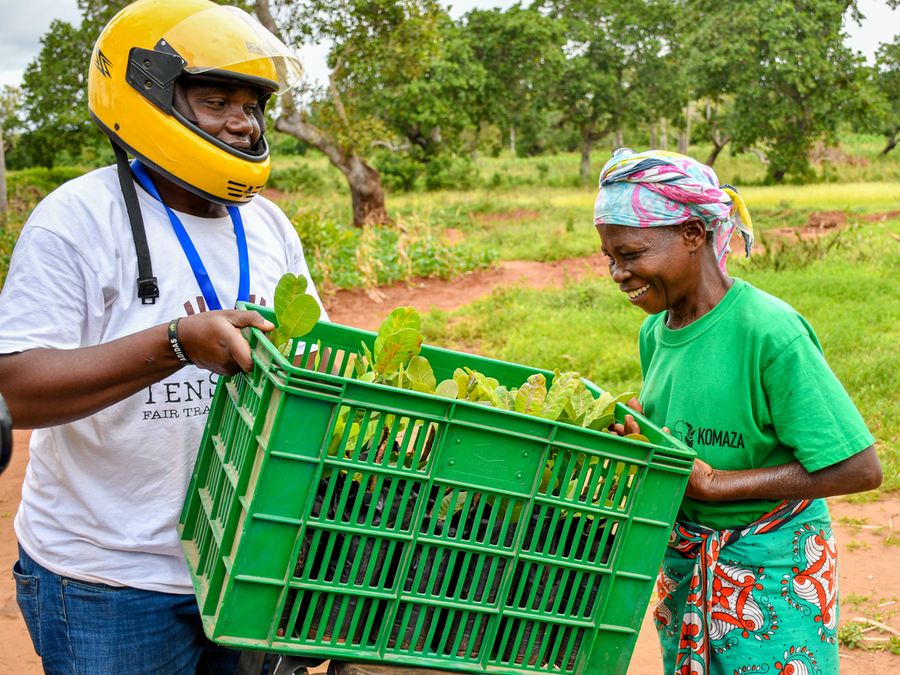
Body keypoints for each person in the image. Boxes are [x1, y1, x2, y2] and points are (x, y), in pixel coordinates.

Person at [0, 0, 327, 672]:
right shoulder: (76, 220)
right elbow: (15, 389)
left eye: (254, 106)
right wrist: (175, 342)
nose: (243, 122)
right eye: (217, 100)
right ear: (146, 97)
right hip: (109, 579)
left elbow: (311, 360)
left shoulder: (269, 226)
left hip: (246, 567)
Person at [594, 148, 882, 674]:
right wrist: (643, 427)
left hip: (773, 575)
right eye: (609, 256)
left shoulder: (768, 332)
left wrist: (717, 486)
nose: (618, 272)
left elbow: (859, 468)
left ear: (693, 234)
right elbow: (687, 423)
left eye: (631, 252)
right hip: (689, 568)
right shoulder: (655, 333)